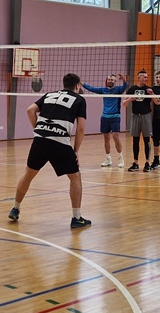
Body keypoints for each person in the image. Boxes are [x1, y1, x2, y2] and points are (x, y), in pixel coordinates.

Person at [8, 73, 90, 229]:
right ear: (77, 85)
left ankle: (15, 208)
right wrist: (75, 151)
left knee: (28, 174)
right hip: (60, 141)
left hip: (40, 140)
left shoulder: (49, 95)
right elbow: (80, 128)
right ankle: (76, 218)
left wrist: (38, 129)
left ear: (64, 84)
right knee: (75, 178)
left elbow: (30, 110)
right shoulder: (79, 99)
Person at [82, 73, 128, 168]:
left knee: (115, 136)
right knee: (106, 138)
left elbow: (125, 86)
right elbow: (91, 88)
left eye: (112, 80)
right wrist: (80, 82)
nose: (110, 81)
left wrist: (124, 80)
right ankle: (108, 159)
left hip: (115, 116)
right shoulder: (103, 90)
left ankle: (120, 158)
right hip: (105, 117)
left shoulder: (118, 90)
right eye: (109, 79)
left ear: (115, 82)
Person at [122, 69, 159, 172]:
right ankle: (136, 163)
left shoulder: (149, 89)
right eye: (144, 77)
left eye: (147, 77)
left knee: (147, 140)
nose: (146, 79)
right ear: (139, 78)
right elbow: (124, 104)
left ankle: (147, 163)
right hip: (135, 116)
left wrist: (152, 94)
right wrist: (130, 99)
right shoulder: (132, 89)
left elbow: (157, 102)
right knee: (135, 141)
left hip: (146, 116)